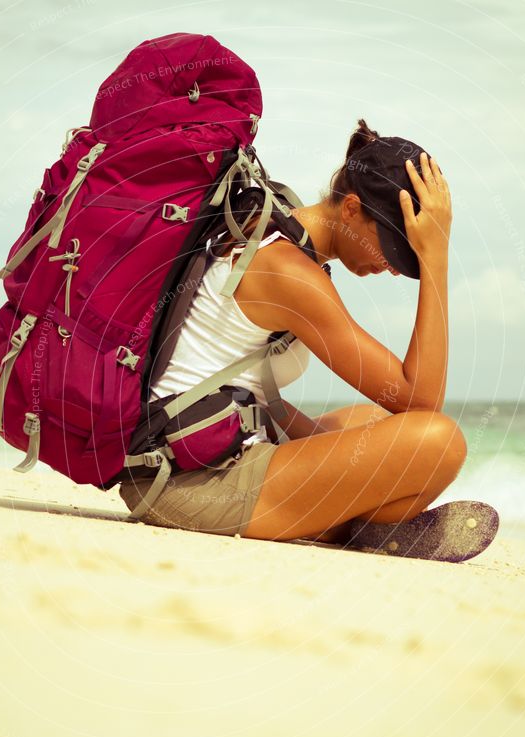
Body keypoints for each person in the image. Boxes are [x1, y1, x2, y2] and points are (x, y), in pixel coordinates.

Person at [119, 118, 474, 554]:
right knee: (438, 442)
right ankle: (350, 525)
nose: (396, 267)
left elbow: (247, 390)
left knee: (371, 422)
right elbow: (421, 399)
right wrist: (435, 259)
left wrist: (329, 450)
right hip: (189, 484)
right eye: (392, 247)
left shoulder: (279, 235)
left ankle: (344, 518)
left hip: (189, 455)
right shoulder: (289, 271)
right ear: (350, 210)